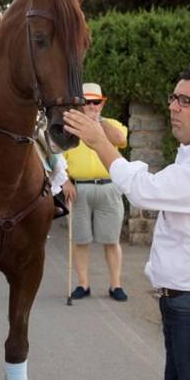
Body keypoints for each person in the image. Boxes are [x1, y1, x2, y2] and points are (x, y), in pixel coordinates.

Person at [63, 66, 190, 380]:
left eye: (186, 100)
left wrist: (99, 143)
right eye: (173, 97)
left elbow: (144, 191)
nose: (173, 107)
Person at [62, 82, 129, 302]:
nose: (92, 106)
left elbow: (120, 140)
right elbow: (58, 156)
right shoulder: (69, 127)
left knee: (111, 240)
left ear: (102, 104)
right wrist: (65, 182)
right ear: (79, 105)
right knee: (81, 240)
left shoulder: (112, 124)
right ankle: (83, 284)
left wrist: (98, 122)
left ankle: (115, 285)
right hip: (79, 188)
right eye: (87, 102)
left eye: (96, 102)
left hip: (108, 186)